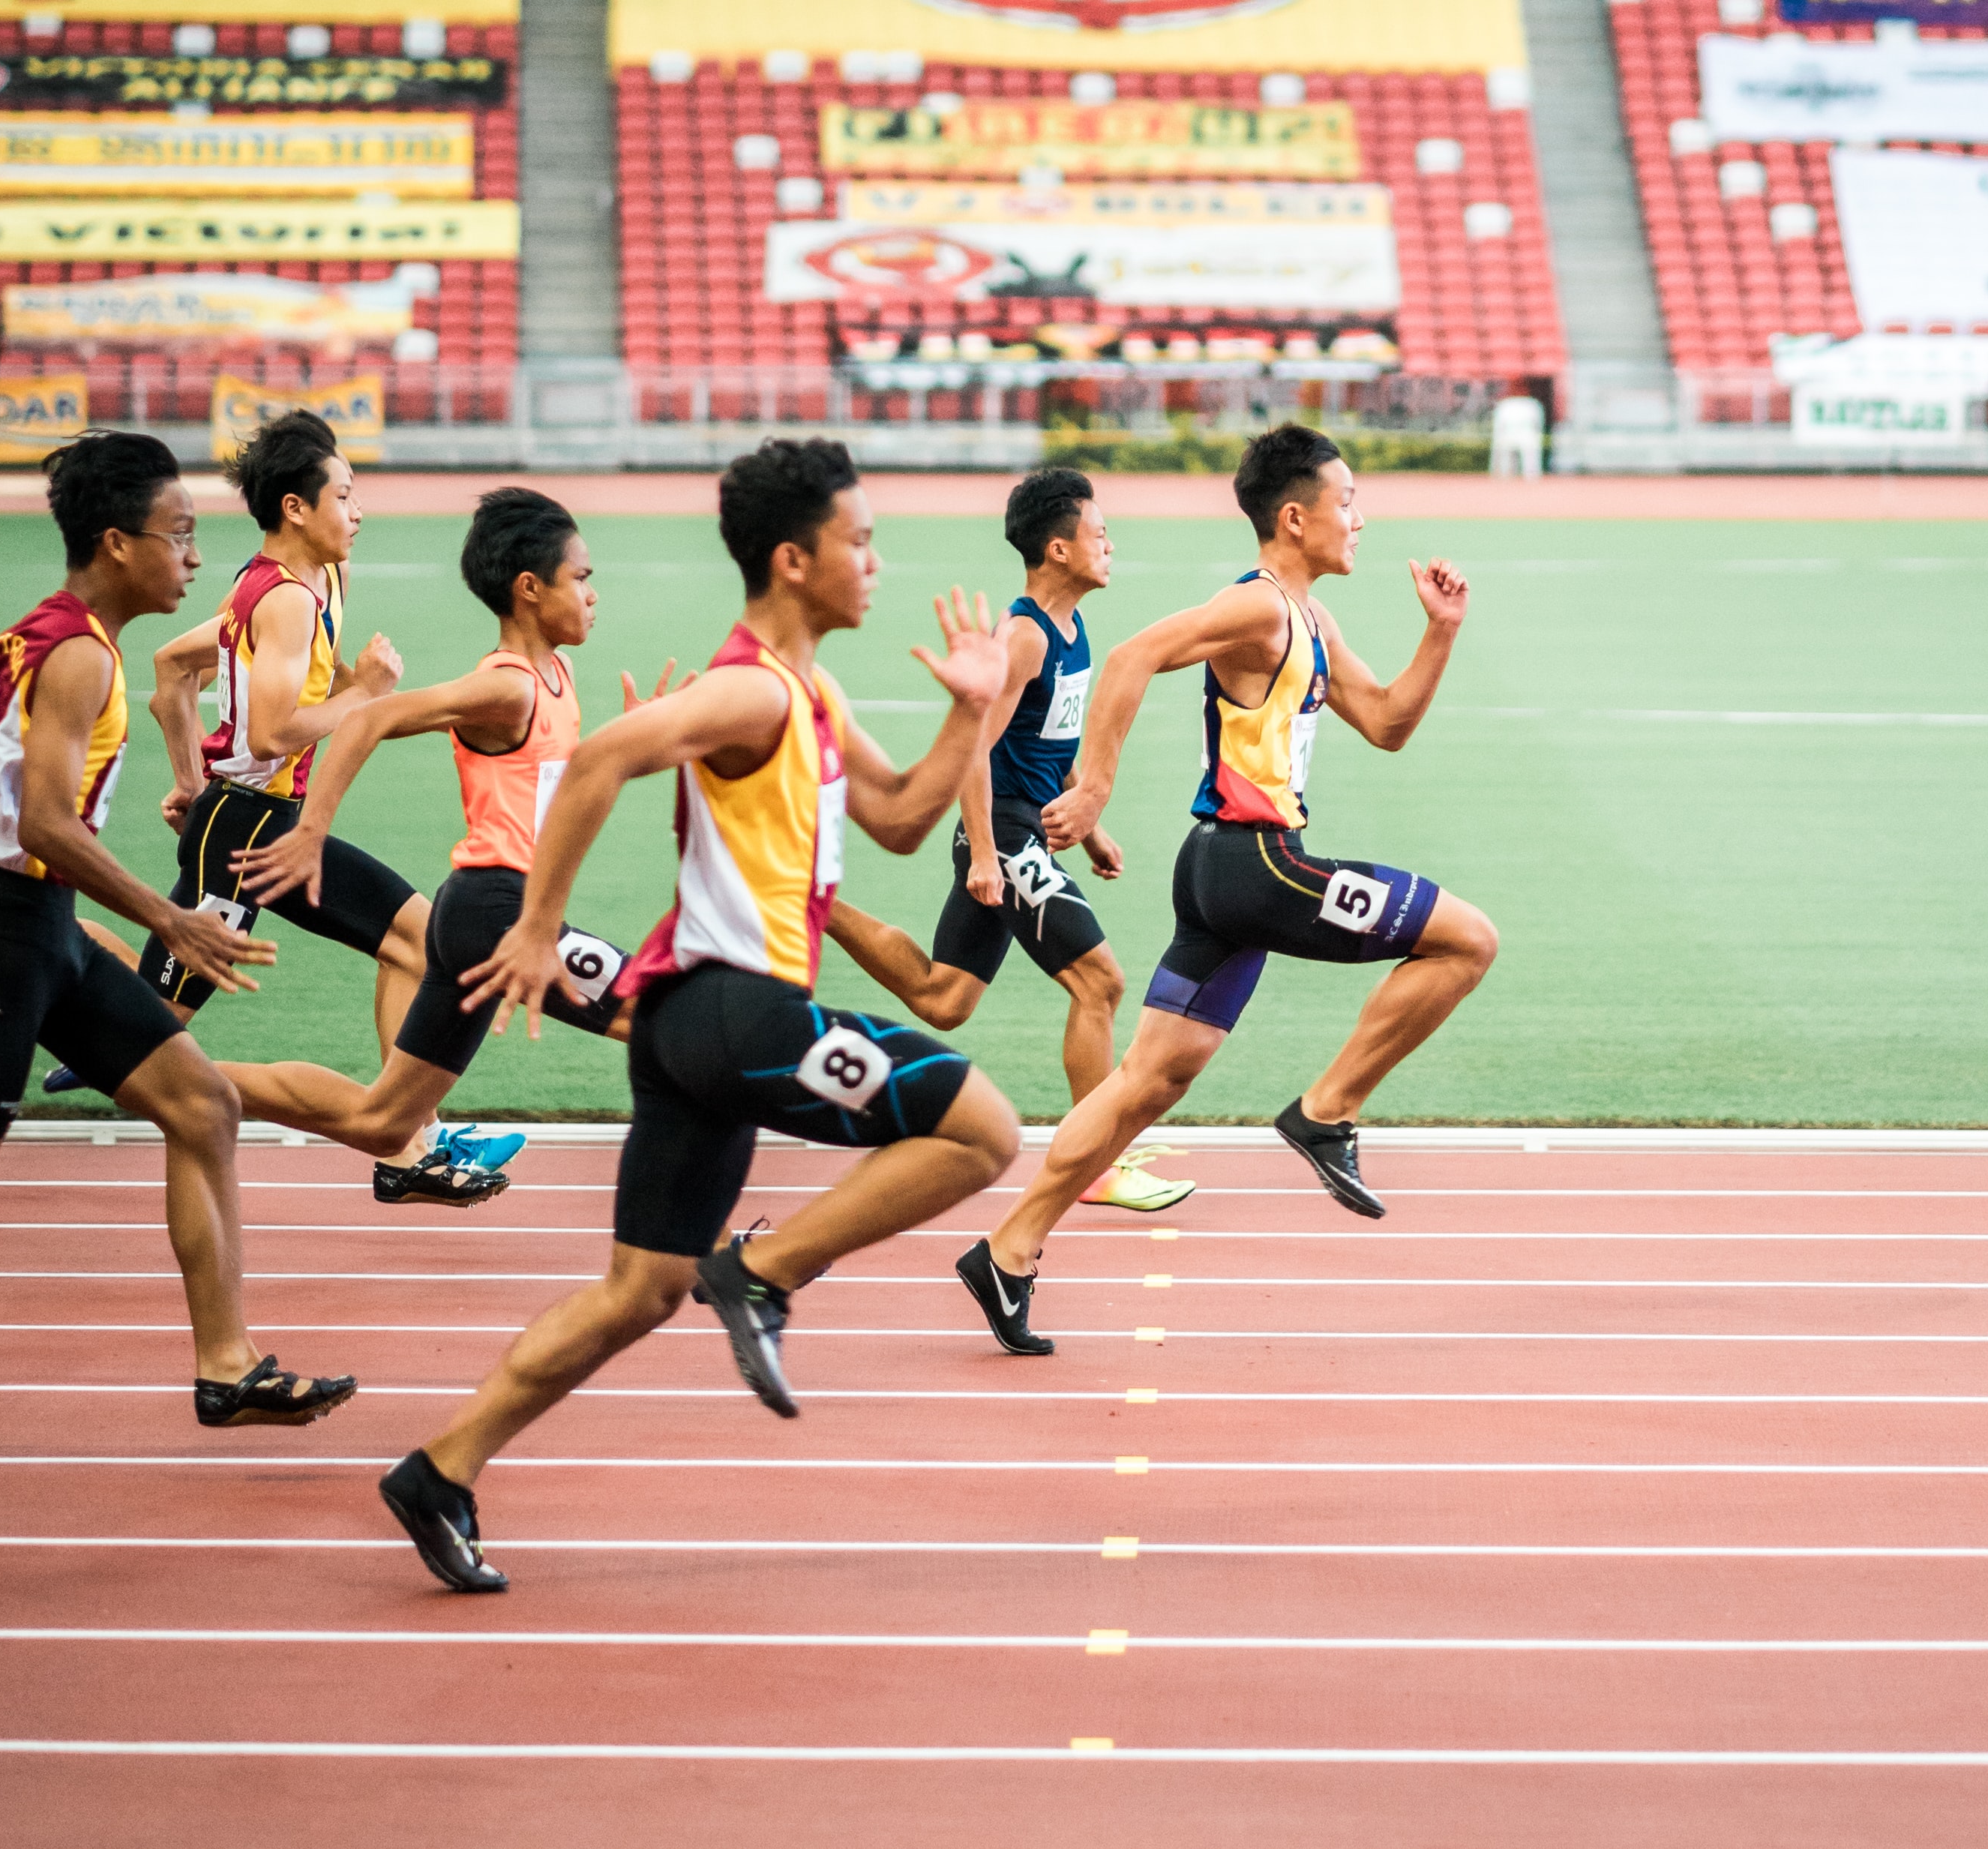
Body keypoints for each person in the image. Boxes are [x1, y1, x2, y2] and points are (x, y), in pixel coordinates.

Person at [379, 439, 1021, 1593]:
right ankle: (766, 1273)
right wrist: (536, 924)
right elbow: (596, 764)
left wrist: (976, 710)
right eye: (857, 542)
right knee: (985, 1131)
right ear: (793, 558)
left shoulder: (810, 688)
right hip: (736, 1012)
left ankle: (440, 1468)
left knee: (643, 1289)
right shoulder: (750, 688)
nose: (874, 562)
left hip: (691, 1030)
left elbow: (906, 818)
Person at [954, 424, 1499, 1359]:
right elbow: (1129, 657)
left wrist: (1439, 634)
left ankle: (1007, 1250)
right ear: (1294, 517)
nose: (1360, 520)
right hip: (1258, 867)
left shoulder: (1311, 619)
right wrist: (1092, 788)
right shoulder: (1253, 609)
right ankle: (1326, 1112)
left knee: (1145, 1083)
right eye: (1348, 503)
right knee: (1467, 941)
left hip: (1220, 878)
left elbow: (1388, 722)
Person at [0, 428, 352, 1425]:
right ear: (117, 543)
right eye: (180, 536)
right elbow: (51, 824)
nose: (194, 558)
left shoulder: (32, 638)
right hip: (9, 936)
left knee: (202, 1106)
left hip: (34, 925)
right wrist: (170, 919)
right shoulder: (70, 657)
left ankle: (228, 1364)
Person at [114, 410, 512, 1205]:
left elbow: (175, 667)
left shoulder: (320, 580)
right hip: (247, 831)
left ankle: (412, 1142)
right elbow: (270, 729)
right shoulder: (285, 599)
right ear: (296, 507)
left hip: (255, 819)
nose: (358, 512)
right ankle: (41, 981)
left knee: (415, 942)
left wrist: (192, 779)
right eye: (345, 495)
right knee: (148, 1029)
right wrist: (366, 695)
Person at [214, 489, 654, 1160]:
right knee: (664, 1018)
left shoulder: (556, 672)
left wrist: (632, 745)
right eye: (582, 579)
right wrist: (310, 833)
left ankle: (163, 1072)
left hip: (476, 914)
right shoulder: (506, 686)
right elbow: (368, 716)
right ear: (530, 588)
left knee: (383, 1122)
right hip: (497, 913)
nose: (593, 595)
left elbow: (555, 801)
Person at [823, 467, 1192, 1212]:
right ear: (1058, 550)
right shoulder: (1021, 638)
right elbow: (974, 752)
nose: (1110, 544)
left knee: (945, 997)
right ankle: (1095, 1162)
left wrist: (1092, 830)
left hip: (1029, 828)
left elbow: (1043, 749)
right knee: (1100, 983)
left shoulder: (1073, 627)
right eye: (1098, 532)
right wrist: (988, 853)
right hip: (1004, 832)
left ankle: (814, 901)